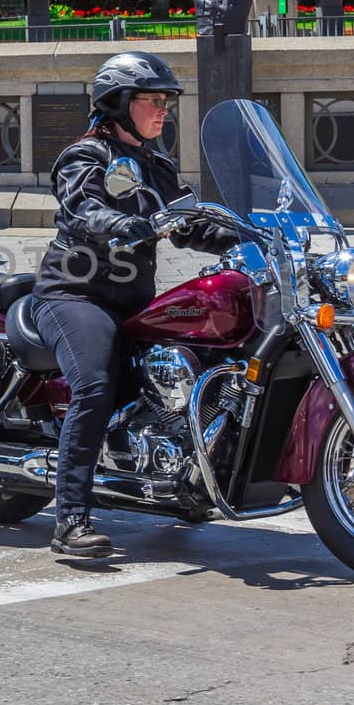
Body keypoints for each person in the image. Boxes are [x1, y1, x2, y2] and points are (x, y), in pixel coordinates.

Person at [30, 52, 237, 557]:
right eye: (153, 100)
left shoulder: (154, 162)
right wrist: (124, 224)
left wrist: (244, 235)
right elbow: (84, 209)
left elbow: (191, 220)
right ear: (119, 103)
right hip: (75, 295)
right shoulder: (85, 157)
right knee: (96, 384)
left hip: (133, 302)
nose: (163, 110)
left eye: (166, 101)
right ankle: (71, 519)